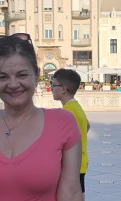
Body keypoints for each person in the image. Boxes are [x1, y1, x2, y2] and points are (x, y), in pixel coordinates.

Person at [0, 33, 83, 201]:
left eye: (22, 75)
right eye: (2, 77)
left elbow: (72, 193)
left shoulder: (63, 123)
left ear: (37, 74)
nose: (13, 84)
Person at [51, 68, 90, 196]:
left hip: (72, 164)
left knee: (72, 195)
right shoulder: (76, 107)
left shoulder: (66, 112)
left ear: (63, 89)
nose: (51, 88)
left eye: (53, 85)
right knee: (78, 193)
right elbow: (87, 126)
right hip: (81, 161)